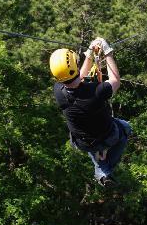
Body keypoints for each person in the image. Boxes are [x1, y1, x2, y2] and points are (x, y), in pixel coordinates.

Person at [49, 38, 131, 187]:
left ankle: (100, 159)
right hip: (107, 136)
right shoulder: (96, 91)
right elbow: (116, 81)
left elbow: (77, 77)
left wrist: (89, 54)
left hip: (82, 142)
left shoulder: (58, 91)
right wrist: (108, 53)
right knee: (126, 128)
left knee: (96, 145)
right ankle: (103, 170)